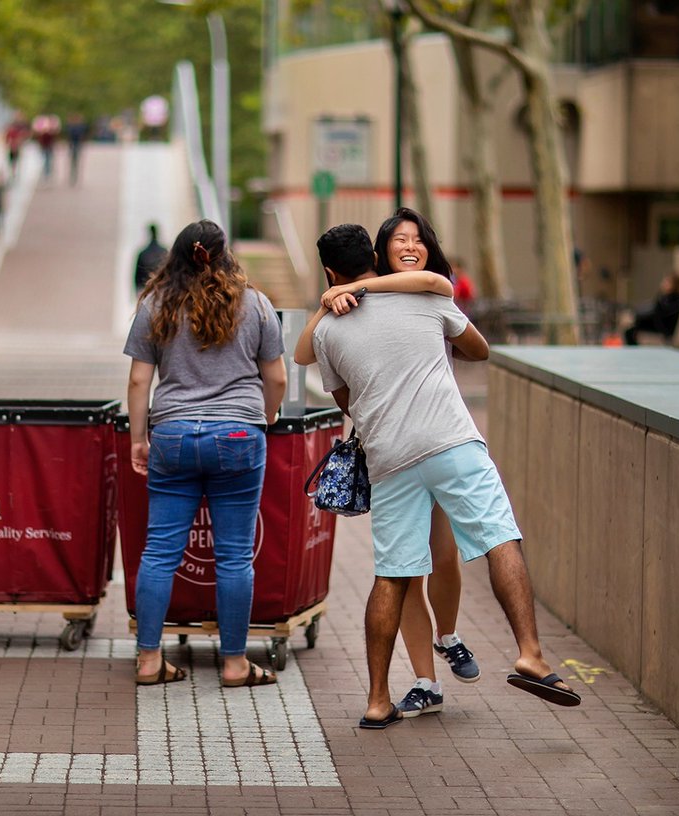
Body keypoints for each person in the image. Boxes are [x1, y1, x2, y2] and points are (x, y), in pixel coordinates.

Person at [299, 223, 580, 728]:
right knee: (499, 539)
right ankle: (530, 654)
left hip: (389, 461)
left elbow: (350, 402)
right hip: (451, 442)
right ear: (376, 256)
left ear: (329, 273)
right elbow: (479, 349)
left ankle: (378, 700)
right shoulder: (427, 299)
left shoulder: (327, 330)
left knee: (392, 575)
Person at [300, 209, 478, 720]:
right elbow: (302, 354)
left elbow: (436, 284)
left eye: (417, 239)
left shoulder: (424, 292)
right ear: (377, 253)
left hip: (438, 438)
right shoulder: (344, 315)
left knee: (442, 555)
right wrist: (326, 302)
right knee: (405, 571)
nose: (410, 245)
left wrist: (364, 289)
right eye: (399, 239)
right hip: (394, 450)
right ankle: (426, 680)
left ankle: (450, 635)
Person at [124, 219, 287, 688]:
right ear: (225, 254)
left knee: (159, 552)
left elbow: (139, 380)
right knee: (234, 557)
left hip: (172, 435)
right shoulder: (255, 304)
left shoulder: (156, 304)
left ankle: (150, 659)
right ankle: (235, 664)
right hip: (237, 436)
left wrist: (140, 437)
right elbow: (275, 378)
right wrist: (266, 416)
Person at [623, 271, 679, 345]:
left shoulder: (675, 299)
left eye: (668, 282)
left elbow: (659, 313)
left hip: (662, 328)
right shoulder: (666, 297)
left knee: (631, 328)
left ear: (675, 285)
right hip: (656, 323)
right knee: (630, 328)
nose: (664, 284)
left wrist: (638, 316)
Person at [133, 223, 167, 291]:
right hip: (160, 287)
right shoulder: (164, 252)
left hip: (145, 287)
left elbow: (137, 276)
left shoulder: (143, 253)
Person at [4, 113, 29, 179]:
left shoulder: (19, 128)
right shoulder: (12, 129)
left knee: (15, 159)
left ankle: (14, 171)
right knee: (12, 160)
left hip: (16, 146)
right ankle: (13, 171)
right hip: (13, 146)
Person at [66, 113, 87, 187]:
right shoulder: (74, 127)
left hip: (76, 145)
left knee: (75, 162)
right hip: (74, 145)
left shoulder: (78, 127)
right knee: (73, 162)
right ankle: (73, 177)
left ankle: (74, 177)